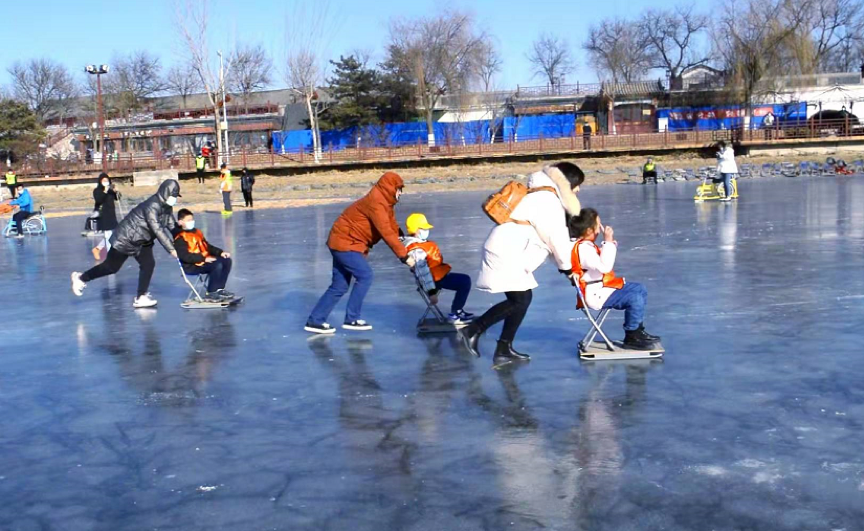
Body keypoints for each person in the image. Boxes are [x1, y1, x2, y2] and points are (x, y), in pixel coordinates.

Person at [459, 162, 584, 361]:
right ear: (567, 183)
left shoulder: (540, 195)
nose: (577, 190)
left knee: (522, 299)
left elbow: (548, 239)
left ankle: (503, 349)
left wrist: (565, 267)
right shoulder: (547, 200)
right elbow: (556, 239)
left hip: (508, 248)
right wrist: (568, 269)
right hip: (507, 250)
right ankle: (473, 330)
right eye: (577, 185)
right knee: (520, 300)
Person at [305, 171, 416, 334]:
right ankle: (352, 318)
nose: (400, 193)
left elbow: (390, 224)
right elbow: (385, 231)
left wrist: (401, 238)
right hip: (346, 242)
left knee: (339, 285)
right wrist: (404, 256)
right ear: (390, 188)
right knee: (365, 275)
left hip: (342, 241)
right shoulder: (377, 203)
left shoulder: (385, 203)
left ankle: (315, 320)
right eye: (399, 189)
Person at [71, 180, 181, 308]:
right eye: (173, 196)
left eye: (175, 196)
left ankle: (141, 297)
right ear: (165, 193)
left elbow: (171, 224)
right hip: (126, 237)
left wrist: (182, 238)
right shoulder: (153, 205)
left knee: (148, 264)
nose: (174, 199)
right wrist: (171, 249)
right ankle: (81, 278)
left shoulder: (167, 207)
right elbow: (157, 229)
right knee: (111, 267)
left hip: (142, 240)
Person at [569, 208, 660, 350]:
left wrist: (609, 245)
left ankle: (637, 329)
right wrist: (608, 242)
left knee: (639, 288)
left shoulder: (586, 246)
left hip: (601, 288)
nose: (601, 228)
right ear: (588, 230)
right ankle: (631, 335)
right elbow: (604, 267)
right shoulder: (583, 249)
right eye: (598, 225)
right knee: (634, 298)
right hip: (595, 294)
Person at [403, 212, 475, 324]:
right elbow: (422, 272)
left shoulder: (420, 244)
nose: (427, 231)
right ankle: (456, 314)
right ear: (416, 231)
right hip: (433, 281)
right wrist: (431, 293)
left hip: (436, 276)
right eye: (424, 228)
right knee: (464, 281)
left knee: (464, 279)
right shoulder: (417, 250)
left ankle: (457, 311)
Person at [174, 208, 234, 300]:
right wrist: (203, 258)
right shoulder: (180, 238)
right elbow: (185, 257)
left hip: (203, 260)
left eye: (192, 219)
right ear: (181, 222)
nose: (192, 222)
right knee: (216, 264)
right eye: (188, 220)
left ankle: (220, 289)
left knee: (226, 261)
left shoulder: (197, 232)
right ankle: (211, 292)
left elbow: (207, 247)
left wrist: (220, 252)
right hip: (191, 266)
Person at [91, 173, 120, 260]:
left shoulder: (110, 190)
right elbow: (99, 200)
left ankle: (97, 249)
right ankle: (110, 255)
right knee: (108, 235)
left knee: (115, 234)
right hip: (103, 216)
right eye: (103, 181)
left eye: (107, 180)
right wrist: (105, 191)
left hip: (112, 215)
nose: (105, 182)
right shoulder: (97, 191)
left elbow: (117, 198)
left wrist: (116, 191)